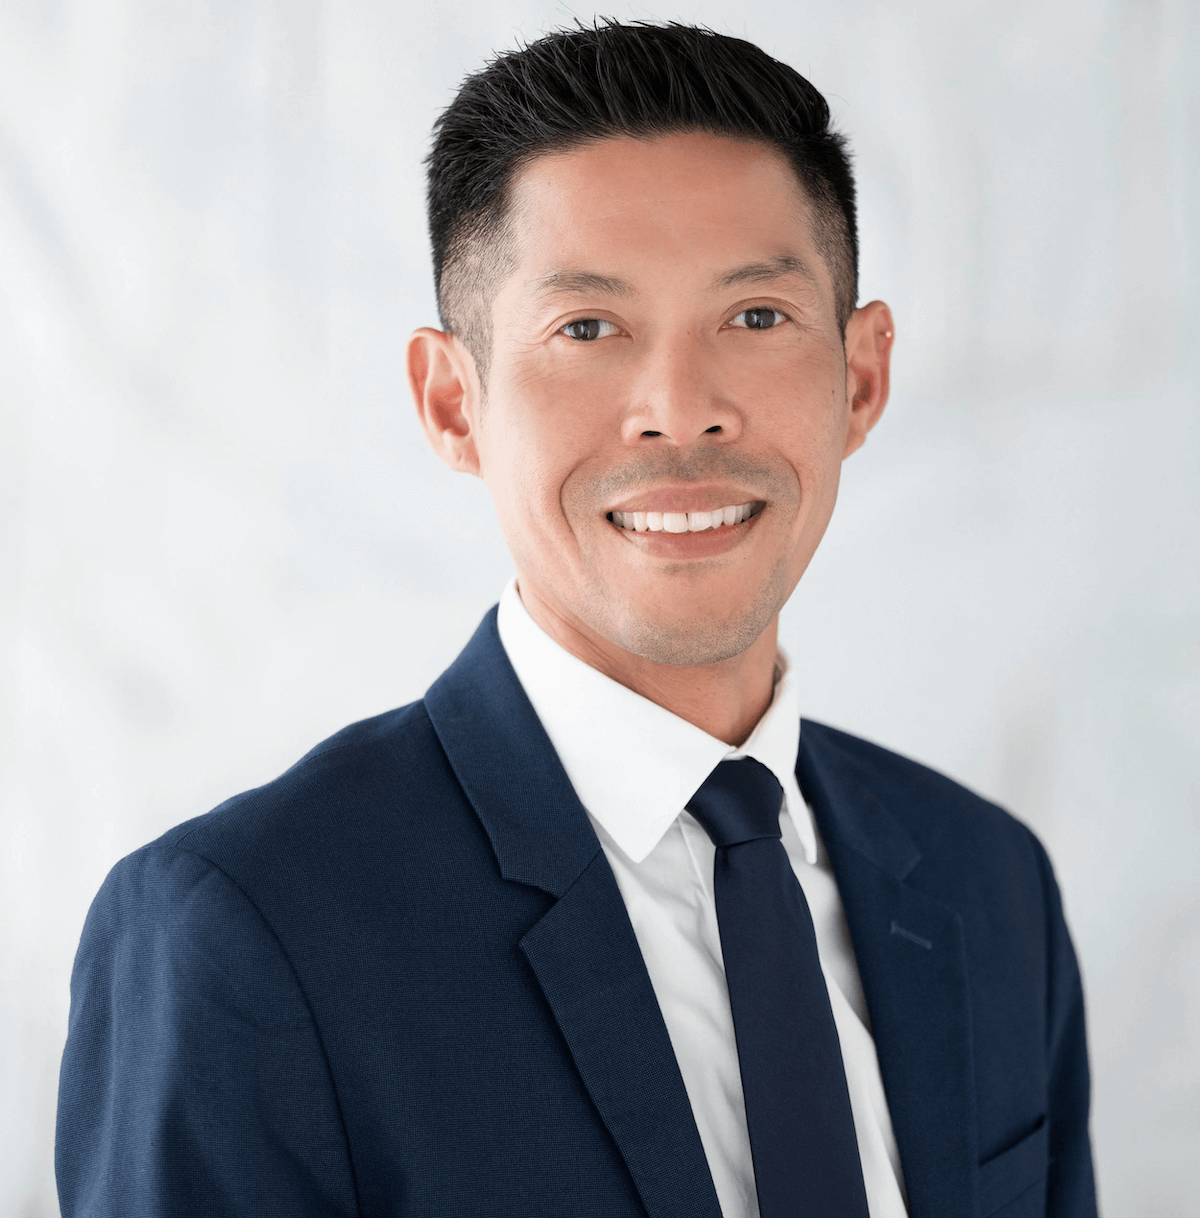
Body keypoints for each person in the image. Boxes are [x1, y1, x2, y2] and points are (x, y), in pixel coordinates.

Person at [55, 21, 1097, 1218]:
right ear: (453, 402)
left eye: (755, 317)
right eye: (587, 329)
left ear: (860, 378)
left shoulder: (987, 884)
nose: (681, 412)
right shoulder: (243, 932)